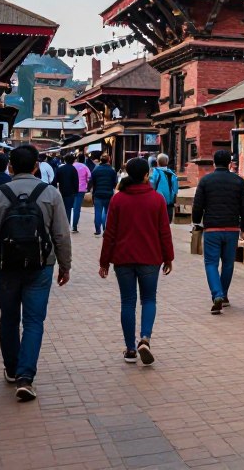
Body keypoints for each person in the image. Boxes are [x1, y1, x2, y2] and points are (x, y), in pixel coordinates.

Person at [0, 144, 72, 402]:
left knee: (9, 318)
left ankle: (12, 369)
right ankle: (26, 377)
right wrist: (65, 264)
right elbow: (61, 233)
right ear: (37, 166)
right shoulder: (50, 193)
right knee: (34, 321)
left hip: (6, 266)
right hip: (41, 266)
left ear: (10, 167)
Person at [99, 157, 174, 366]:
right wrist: (168, 257)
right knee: (149, 300)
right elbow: (164, 233)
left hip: (123, 259)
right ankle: (145, 338)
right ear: (146, 175)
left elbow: (109, 234)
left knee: (128, 302)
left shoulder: (118, 199)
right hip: (150, 258)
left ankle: (130, 349)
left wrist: (104, 261)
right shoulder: (157, 199)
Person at [191, 149, 244, 314]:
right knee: (228, 263)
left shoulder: (206, 181)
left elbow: (198, 205)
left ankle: (217, 294)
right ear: (230, 163)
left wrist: (196, 221)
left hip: (212, 229)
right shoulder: (238, 182)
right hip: (232, 228)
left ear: (213, 163)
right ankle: (223, 295)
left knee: (211, 263)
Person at [90, 153, 119, 236]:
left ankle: (97, 229)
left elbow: (93, 182)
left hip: (98, 193)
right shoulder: (112, 171)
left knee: (97, 212)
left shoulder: (96, 170)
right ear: (108, 160)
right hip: (108, 194)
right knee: (106, 212)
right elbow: (115, 183)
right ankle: (105, 229)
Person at [150, 153, 179, 223]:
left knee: (156, 222)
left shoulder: (155, 173)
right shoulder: (172, 174)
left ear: (157, 162)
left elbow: (152, 185)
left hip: (157, 202)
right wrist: (175, 201)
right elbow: (175, 189)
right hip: (169, 203)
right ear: (167, 162)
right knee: (167, 222)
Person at [53, 153, 79, 227]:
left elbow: (55, 180)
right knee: (68, 209)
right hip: (71, 192)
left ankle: (61, 223)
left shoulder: (60, 169)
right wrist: (76, 191)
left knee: (61, 208)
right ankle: (67, 224)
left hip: (62, 191)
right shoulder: (73, 169)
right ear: (73, 161)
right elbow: (76, 181)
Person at [71, 154, 91, 232]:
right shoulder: (85, 167)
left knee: (69, 207)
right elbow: (89, 177)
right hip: (81, 189)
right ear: (84, 159)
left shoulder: (73, 166)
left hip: (71, 189)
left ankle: (67, 224)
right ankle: (74, 226)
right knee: (77, 208)